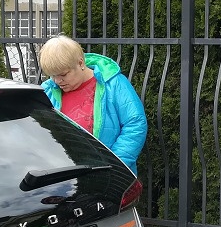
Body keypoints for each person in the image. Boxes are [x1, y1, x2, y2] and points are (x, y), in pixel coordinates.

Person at [39, 35, 147, 174]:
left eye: (63, 74)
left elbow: (135, 123)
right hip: (63, 176)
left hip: (109, 176)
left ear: (80, 63)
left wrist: (114, 166)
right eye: (53, 75)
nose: (57, 81)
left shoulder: (113, 83)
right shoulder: (47, 90)